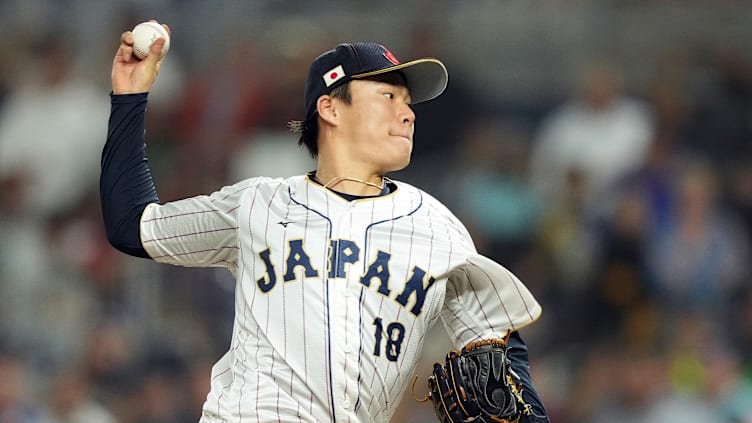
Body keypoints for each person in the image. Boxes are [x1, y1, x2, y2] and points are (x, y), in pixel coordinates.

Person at [100, 21, 549, 422]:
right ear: (331, 108)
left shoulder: (438, 228)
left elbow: (498, 353)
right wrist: (130, 96)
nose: (408, 113)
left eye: (408, 101)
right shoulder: (258, 203)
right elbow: (133, 224)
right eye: (389, 96)